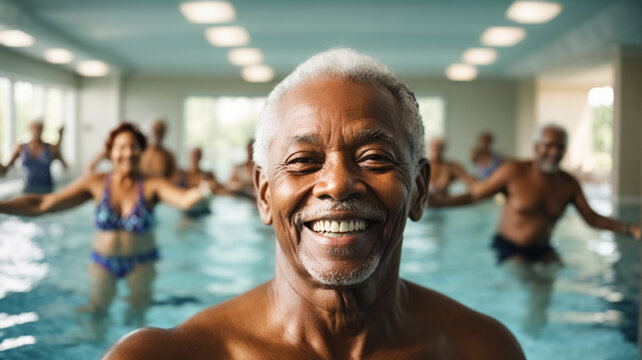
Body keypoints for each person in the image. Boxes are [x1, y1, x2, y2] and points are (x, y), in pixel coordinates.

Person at [103, 49, 525, 359]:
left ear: (419, 188)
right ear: (264, 193)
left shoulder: (482, 350)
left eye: (374, 158)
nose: (338, 184)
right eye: (304, 161)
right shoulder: (164, 356)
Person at [431, 123, 641, 334]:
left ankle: (534, 335)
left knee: (564, 278)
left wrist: (630, 229)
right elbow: (476, 195)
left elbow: (592, 218)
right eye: (549, 146)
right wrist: (439, 202)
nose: (554, 152)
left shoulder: (568, 184)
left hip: (544, 250)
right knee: (536, 283)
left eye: (560, 147)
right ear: (536, 147)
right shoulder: (514, 171)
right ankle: (520, 328)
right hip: (509, 248)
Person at [0, 122, 216, 326]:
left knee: (137, 315)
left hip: (142, 262)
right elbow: (42, 203)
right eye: (121, 147)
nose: (128, 153)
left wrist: (204, 191)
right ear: (110, 152)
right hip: (103, 262)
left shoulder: (152, 184)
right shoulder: (95, 182)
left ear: (142, 151)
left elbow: (184, 200)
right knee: (96, 313)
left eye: (134, 147)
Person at [87, 119, 177, 179]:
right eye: (154, 129)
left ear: (165, 132)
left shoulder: (169, 156)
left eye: (160, 130)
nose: (128, 153)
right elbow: (89, 168)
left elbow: (173, 180)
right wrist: (108, 149)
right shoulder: (134, 152)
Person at [0, 120, 67, 193]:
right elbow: (7, 167)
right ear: (29, 129)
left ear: (42, 129)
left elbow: (64, 164)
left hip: (47, 189)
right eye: (34, 128)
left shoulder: (51, 148)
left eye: (39, 128)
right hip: (28, 188)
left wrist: (60, 136)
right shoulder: (21, 147)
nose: (36, 131)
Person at [173, 147, 228, 217]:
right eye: (193, 154)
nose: (195, 157)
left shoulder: (208, 175)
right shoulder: (179, 174)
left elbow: (220, 189)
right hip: (185, 210)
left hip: (203, 209)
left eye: (197, 154)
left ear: (201, 156)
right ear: (188, 155)